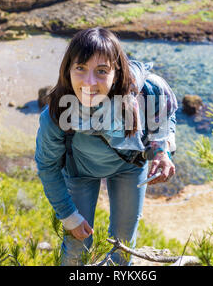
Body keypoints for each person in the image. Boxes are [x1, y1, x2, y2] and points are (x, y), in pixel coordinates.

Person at [34, 27, 177, 266]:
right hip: (79, 172)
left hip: (129, 167)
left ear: (116, 73)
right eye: (80, 68)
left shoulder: (144, 91)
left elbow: (164, 114)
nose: (90, 82)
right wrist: (68, 216)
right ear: (67, 70)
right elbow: (47, 167)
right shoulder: (56, 114)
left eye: (101, 71)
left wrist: (162, 152)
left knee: (122, 244)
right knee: (77, 246)